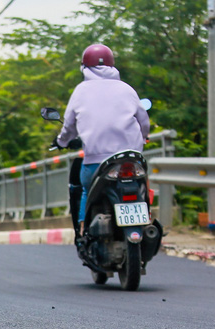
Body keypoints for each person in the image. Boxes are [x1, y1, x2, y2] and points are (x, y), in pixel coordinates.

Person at [55, 43, 150, 237]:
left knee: (85, 188)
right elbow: (144, 121)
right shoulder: (127, 89)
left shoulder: (81, 91)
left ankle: (83, 231)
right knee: (141, 187)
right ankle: (146, 217)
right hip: (131, 160)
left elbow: (69, 126)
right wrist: (144, 137)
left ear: (84, 67)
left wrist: (61, 142)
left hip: (97, 161)